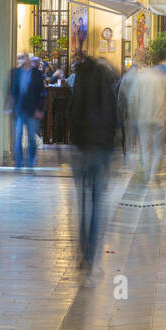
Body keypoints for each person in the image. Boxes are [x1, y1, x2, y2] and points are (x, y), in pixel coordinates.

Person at [69, 55, 117, 283]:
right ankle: (90, 258)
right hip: (100, 151)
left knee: (83, 206)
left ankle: (82, 253)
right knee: (97, 205)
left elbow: (71, 117)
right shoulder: (106, 89)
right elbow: (115, 120)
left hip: (81, 151)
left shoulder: (79, 87)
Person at [129, 66, 166, 183]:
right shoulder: (165, 79)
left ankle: (146, 173)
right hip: (160, 118)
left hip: (143, 118)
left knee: (145, 148)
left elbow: (133, 99)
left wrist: (134, 115)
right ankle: (153, 175)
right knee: (158, 148)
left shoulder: (139, 80)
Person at [6, 52, 47, 169]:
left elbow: (42, 94)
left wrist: (40, 109)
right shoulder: (16, 73)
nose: (23, 61)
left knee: (31, 137)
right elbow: (12, 90)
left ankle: (30, 161)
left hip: (33, 110)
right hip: (19, 109)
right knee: (17, 136)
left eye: (24, 59)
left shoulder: (37, 74)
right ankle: (18, 162)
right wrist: (9, 105)